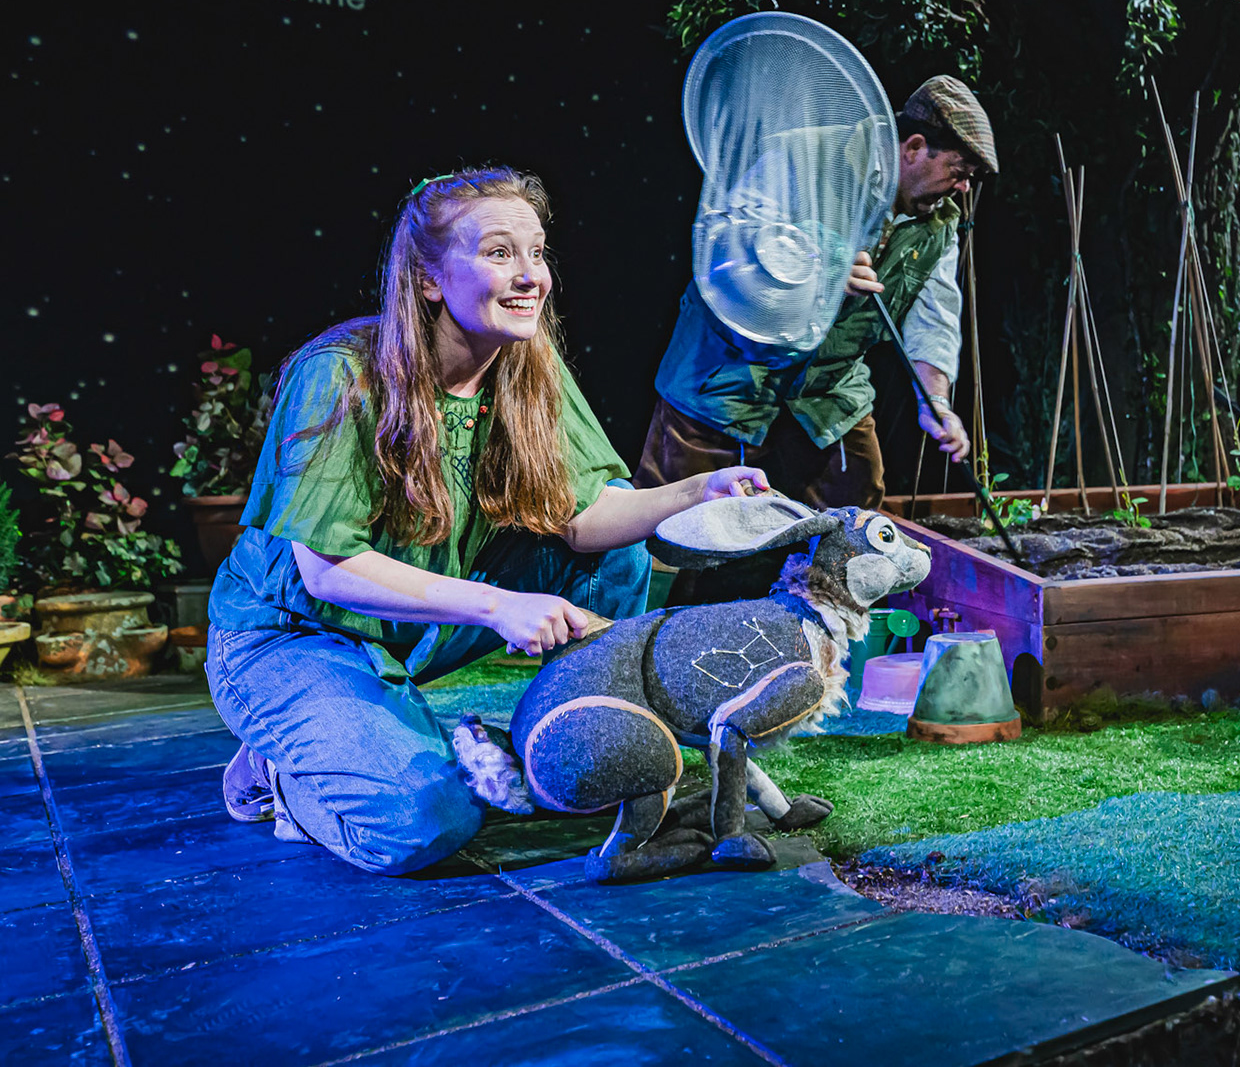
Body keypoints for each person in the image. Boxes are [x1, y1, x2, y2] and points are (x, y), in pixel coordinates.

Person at [206, 168, 765, 875]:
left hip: (410, 628)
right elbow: (327, 572)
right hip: (290, 636)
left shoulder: (525, 366)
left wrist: (694, 492)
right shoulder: (342, 373)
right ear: (430, 279)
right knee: (423, 825)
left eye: (537, 254)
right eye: (500, 253)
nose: (531, 276)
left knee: (617, 556)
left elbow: (585, 516)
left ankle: (586, 738)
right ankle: (280, 772)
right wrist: (499, 605)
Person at [640, 75, 997, 508]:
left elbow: (935, 314)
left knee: (858, 510)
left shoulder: (939, 222)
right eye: (959, 173)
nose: (964, 188)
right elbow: (728, 238)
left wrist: (934, 400)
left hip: (827, 390)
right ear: (915, 147)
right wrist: (820, 260)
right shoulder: (804, 156)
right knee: (681, 521)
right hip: (728, 375)